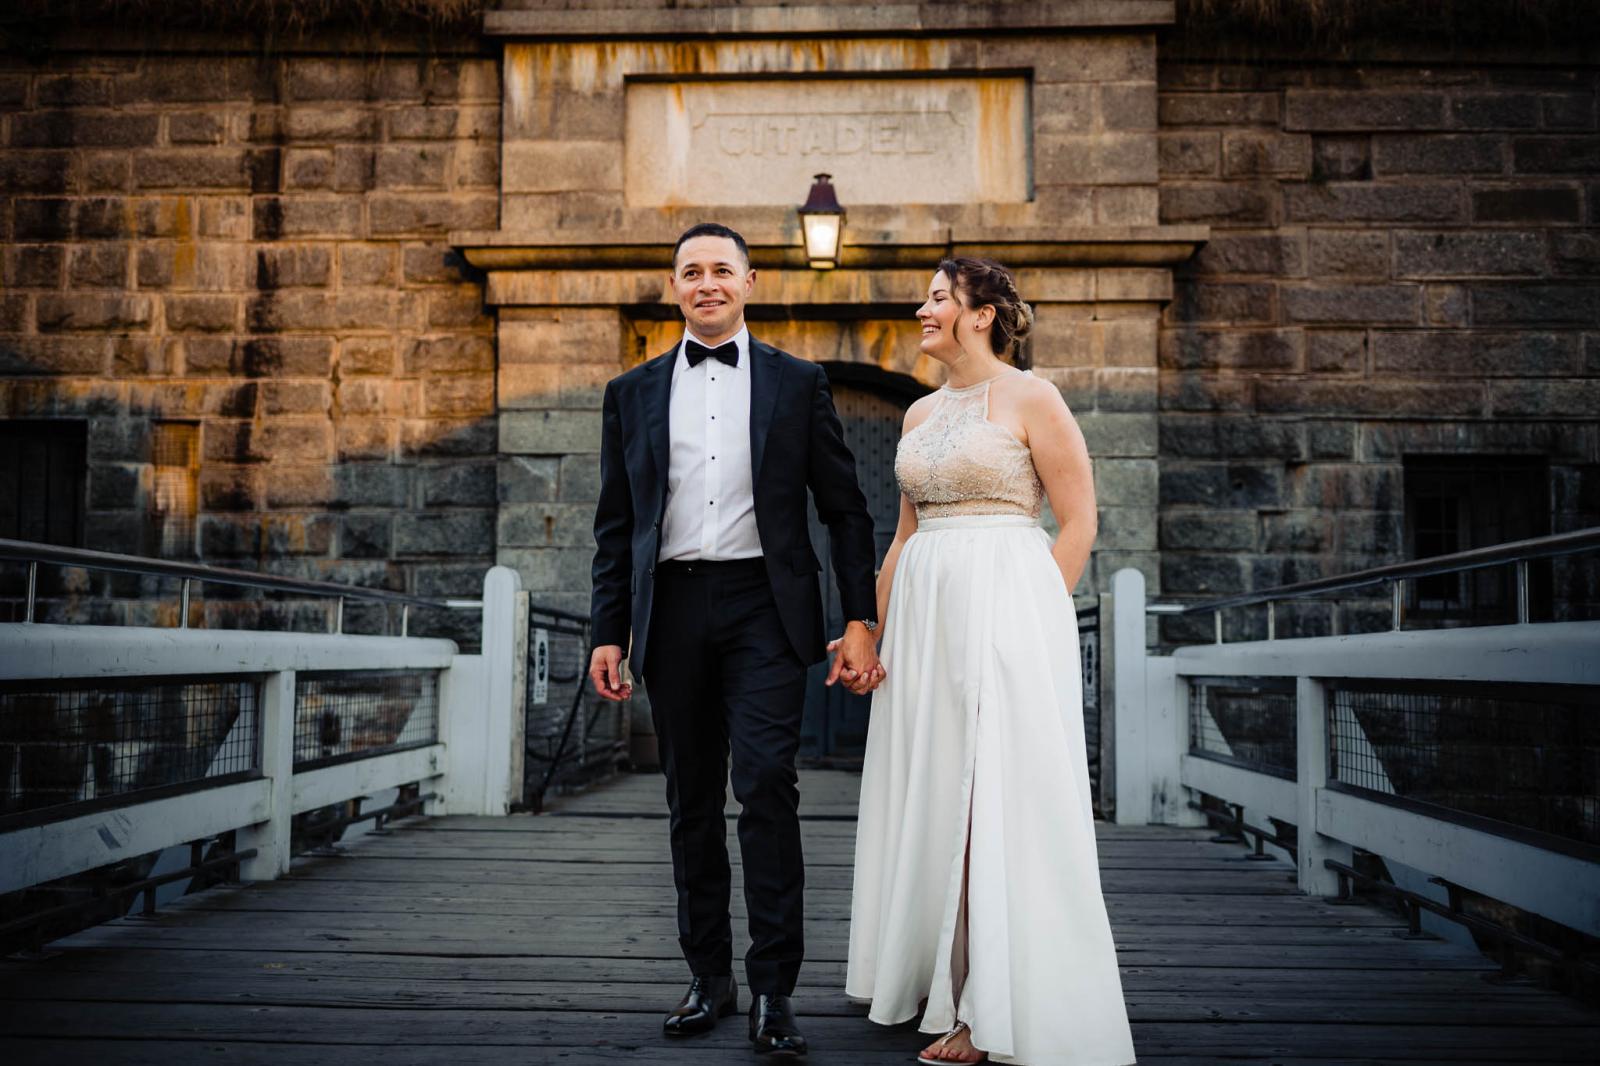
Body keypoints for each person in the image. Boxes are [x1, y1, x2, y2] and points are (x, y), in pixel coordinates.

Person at [588, 222, 886, 1059]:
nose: (707, 282)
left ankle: (773, 989)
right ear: (674, 286)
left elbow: (845, 509)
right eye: (692, 272)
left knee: (765, 787)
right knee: (689, 801)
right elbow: (617, 526)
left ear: (750, 281)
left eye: (722, 269)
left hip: (765, 607)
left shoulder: (799, 383)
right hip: (672, 609)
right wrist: (610, 630)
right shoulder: (632, 392)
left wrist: (860, 617)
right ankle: (707, 976)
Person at [844, 257, 1137, 1066]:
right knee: (937, 789)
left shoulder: (1034, 398)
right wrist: (873, 629)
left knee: (991, 799)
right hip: (926, 620)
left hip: (1006, 608)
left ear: (981, 315)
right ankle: (936, 974)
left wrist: (1037, 617)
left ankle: (989, 1006)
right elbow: (904, 536)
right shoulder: (917, 416)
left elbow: (1078, 521)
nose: (922, 309)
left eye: (938, 298)